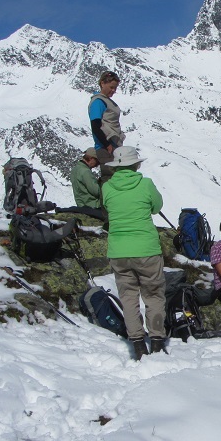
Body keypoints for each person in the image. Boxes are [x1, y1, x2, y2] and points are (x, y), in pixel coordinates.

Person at [102, 146, 167, 360]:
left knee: (128, 297)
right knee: (153, 295)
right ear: (135, 164)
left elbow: (107, 208)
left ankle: (138, 345)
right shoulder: (145, 184)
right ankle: (157, 341)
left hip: (119, 251)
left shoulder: (107, 187)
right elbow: (157, 207)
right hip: (146, 248)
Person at [88, 70, 125, 184]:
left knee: (114, 176)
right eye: (111, 87)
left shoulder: (106, 101)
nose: (113, 91)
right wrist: (106, 144)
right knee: (109, 177)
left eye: (115, 88)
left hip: (112, 145)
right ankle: (105, 201)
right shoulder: (98, 102)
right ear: (102, 83)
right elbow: (95, 126)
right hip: (105, 147)